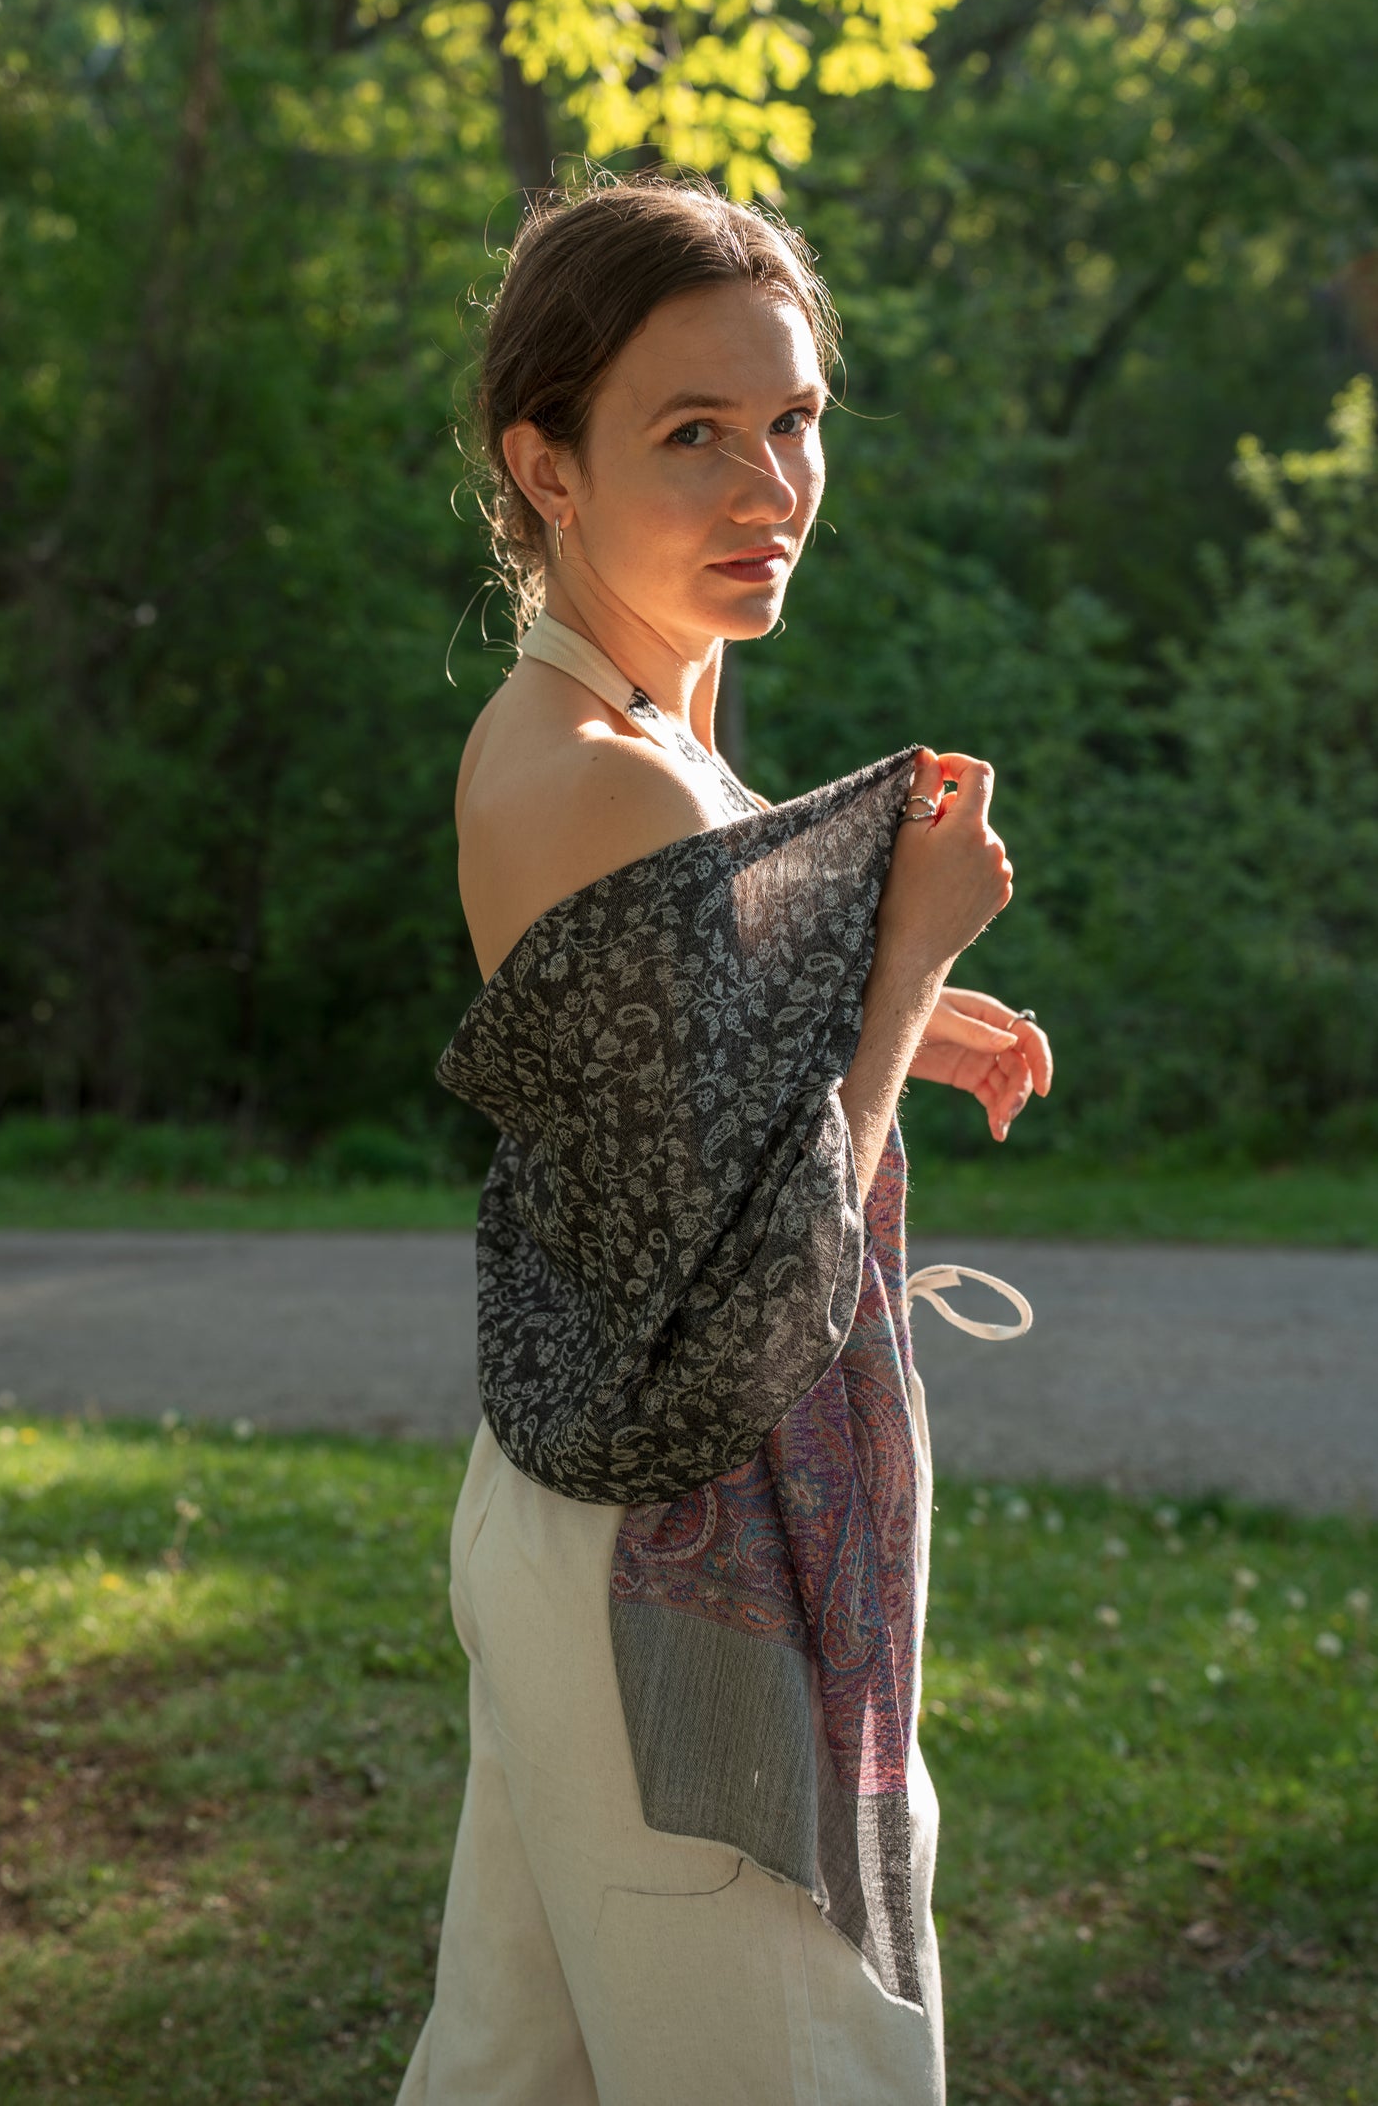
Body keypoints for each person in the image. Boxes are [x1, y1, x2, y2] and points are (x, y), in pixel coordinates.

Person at [397, 174, 1053, 2106]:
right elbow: (761, 1283)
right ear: (548, 463)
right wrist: (909, 951)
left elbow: (685, 1042)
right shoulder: (580, 775)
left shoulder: (663, 735)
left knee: (515, 2076)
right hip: (672, 1573)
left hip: (600, 1516)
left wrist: (893, 1015)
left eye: (791, 419)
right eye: (692, 432)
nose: (769, 482)